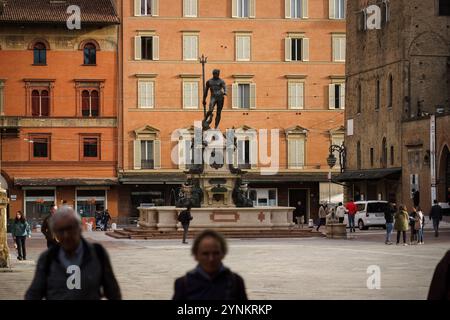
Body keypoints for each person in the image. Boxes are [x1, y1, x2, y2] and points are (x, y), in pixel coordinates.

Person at [25, 205, 121, 300]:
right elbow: (33, 293)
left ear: (79, 228)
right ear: (55, 232)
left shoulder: (97, 254)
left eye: (70, 228)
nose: (66, 235)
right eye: (61, 230)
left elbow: (113, 291)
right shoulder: (47, 258)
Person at [173, 229, 247, 300]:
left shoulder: (236, 282)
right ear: (196, 255)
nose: (211, 259)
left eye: (216, 253)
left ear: (223, 253)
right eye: (205, 254)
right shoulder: (183, 284)